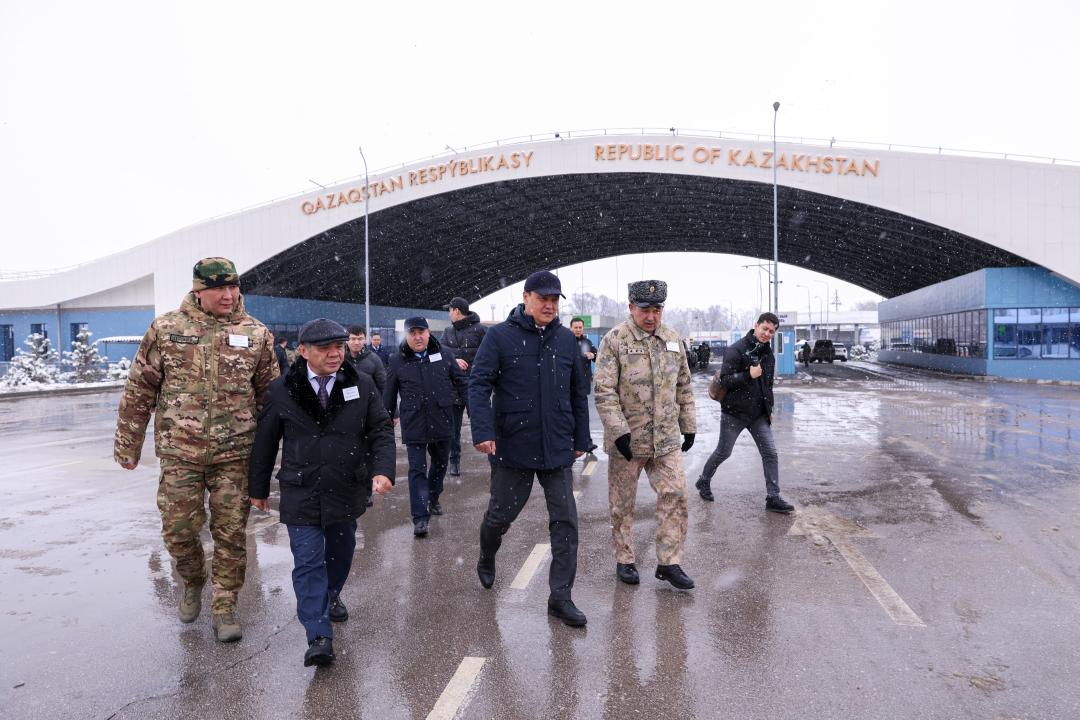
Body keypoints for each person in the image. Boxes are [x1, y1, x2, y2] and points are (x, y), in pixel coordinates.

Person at [114, 257, 278, 642]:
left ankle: (224, 605)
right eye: (219, 288)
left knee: (231, 533)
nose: (228, 295)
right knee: (178, 530)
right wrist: (128, 445)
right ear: (199, 291)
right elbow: (139, 389)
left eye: (233, 287)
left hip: (235, 453)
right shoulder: (167, 329)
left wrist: (270, 456)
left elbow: (271, 398)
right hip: (180, 453)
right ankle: (192, 579)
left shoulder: (256, 333)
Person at [248, 318, 395, 667]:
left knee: (341, 553)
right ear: (303, 351)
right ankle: (318, 634)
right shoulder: (282, 390)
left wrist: (382, 470)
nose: (334, 354)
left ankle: (330, 595)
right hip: (301, 488)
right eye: (325, 348)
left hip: (345, 486)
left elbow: (380, 431)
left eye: (339, 347)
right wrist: (258, 487)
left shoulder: (360, 384)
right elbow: (266, 442)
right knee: (308, 561)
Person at [469, 270, 591, 627]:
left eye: (554, 300)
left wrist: (581, 439)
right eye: (543, 299)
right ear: (526, 298)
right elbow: (478, 384)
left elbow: (578, 393)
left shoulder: (566, 340)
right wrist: (483, 430)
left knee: (565, 523)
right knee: (500, 516)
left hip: (557, 447)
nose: (549, 305)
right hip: (513, 445)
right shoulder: (499, 337)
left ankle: (560, 597)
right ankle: (487, 553)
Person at [594, 280, 697, 590]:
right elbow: (604, 391)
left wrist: (688, 425)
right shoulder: (615, 340)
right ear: (631, 307)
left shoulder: (673, 339)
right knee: (622, 504)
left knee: (676, 495)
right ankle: (625, 559)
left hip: (665, 439)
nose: (651, 316)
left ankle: (669, 562)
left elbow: (684, 385)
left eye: (657, 309)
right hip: (628, 440)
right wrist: (618, 431)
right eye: (644, 310)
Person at [694, 313, 795, 514]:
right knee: (724, 452)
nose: (767, 334)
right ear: (756, 326)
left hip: (758, 415)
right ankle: (704, 480)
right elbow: (725, 380)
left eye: (771, 331)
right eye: (764, 329)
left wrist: (769, 409)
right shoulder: (736, 349)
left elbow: (767, 385)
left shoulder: (767, 354)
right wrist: (748, 375)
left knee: (770, 453)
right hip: (734, 413)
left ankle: (773, 497)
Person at [384, 317, 467, 537]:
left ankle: (433, 497)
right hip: (414, 423)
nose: (418, 337)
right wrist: (387, 418)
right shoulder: (397, 360)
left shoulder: (445, 355)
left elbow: (461, 383)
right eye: (413, 333)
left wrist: (472, 408)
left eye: (421, 332)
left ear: (429, 333)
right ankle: (420, 517)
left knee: (440, 464)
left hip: (442, 420)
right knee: (417, 470)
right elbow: (389, 394)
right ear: (406, 336)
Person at [440, 296, 487, 477]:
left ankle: (496, 458)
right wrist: (454, 359)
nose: (449, 314)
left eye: (450, 310)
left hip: (475, 386)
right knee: (453, 429)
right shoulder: (447, 331)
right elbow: (439, 352)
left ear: (456, 311)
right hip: (453, 387)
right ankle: (454, 461)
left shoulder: (481, 330)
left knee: (483, 424)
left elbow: (489, 354)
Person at [344, 324, 386, 395]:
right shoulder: (340, 359)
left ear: (365, 340)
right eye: (353, 339)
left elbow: (383, 385)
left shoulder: (374, 359)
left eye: (360, 339)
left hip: (369, 400)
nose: (356, 342)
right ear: (347, 340)